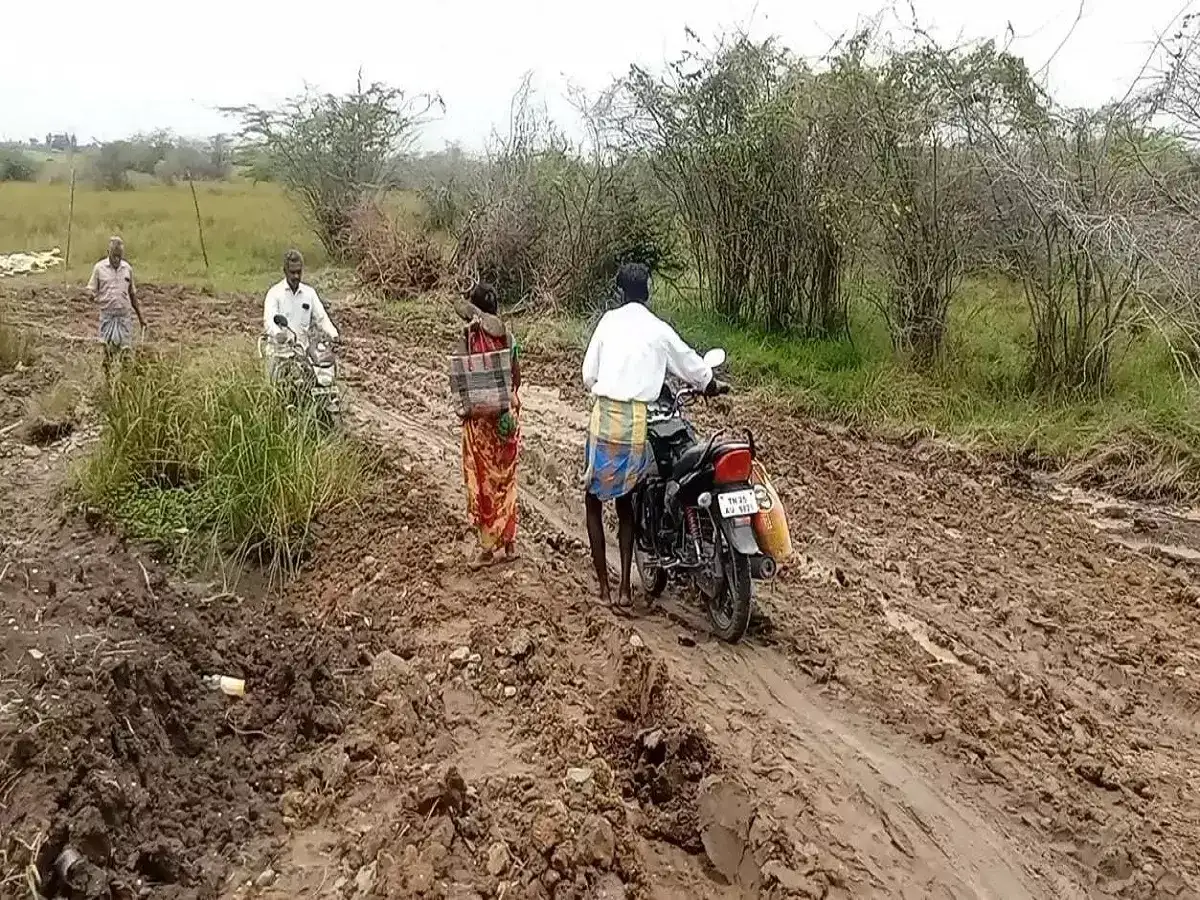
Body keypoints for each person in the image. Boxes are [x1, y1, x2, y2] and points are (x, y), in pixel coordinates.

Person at [581, 263, 725, 611]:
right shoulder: (658, 329)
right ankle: (626, 591)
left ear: (620, 292)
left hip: (606, 419)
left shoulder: (608, 322)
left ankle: (604, 590)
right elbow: (691, 364)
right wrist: (710, 383)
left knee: (593, 501)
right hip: (635, 421)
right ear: (647, 292)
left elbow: (588, 375)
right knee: (627, 502)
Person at [455, 282, 521, 569]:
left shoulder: (469, 337)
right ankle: (509, 544)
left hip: (481, 424)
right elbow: (516, 378)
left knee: (484, 484)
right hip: (506, 420)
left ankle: (486, 549)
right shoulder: (508, 338)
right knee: (506, 481)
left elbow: (461, 379)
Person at [262, 249, 338, 380]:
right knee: (277, 389)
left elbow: (321, 318)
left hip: (301, 356)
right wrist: (278, 334)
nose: (296, 276)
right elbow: (269, 320)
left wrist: (333, 334)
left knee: (317, 384)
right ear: (285, 271)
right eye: (292, 272)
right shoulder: (275, 294)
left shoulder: (309, 294)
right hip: (279, 355)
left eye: (299, 272)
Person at [87, 236, 145, 375]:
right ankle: (108, 379)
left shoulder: (127, 269)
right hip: (107, 316)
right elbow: (91, 289)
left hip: (124, 317)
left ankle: (124, 380)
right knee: (107, 351)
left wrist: (141, 317)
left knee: (126, 351)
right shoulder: (99, 268)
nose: (117, 260)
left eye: (119, 256)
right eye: (114, 256)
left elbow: (132, 294)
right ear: (108, 253)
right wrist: (90, 295)